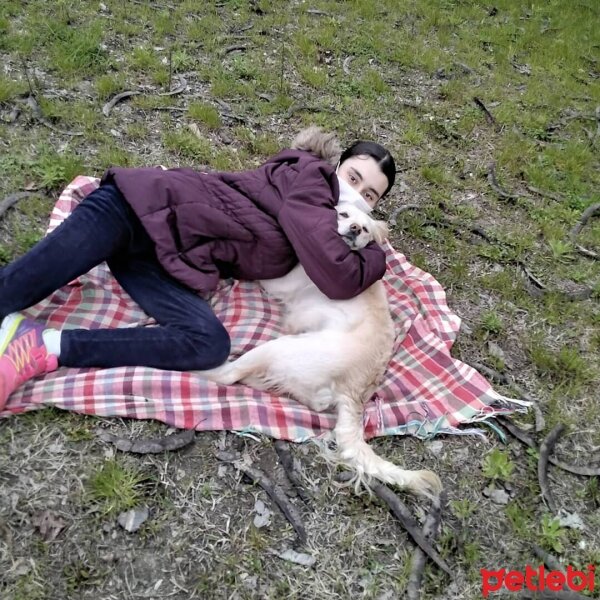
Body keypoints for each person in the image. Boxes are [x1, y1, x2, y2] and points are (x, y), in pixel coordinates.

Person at [0, 127, 396, 409]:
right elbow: (339, 275)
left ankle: (41, 345)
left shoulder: (325, 221)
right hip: (128, 211)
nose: (356, 194)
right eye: (353, 177)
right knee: (9, 294)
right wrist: (379, 249)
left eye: (369, 194)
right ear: (337, 166)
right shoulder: (312, 180)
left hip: (154, 257)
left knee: (209, 344)